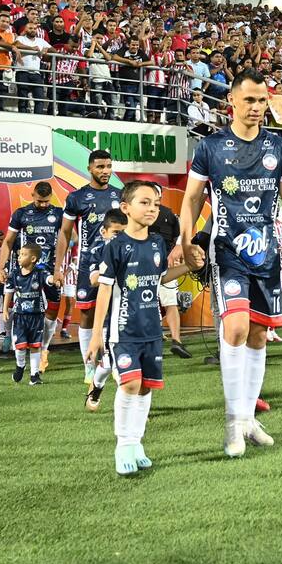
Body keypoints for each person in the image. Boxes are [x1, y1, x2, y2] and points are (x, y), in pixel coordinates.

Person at [179, 68, 282, 457]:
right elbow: (191, 199)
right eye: (251, 100)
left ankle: (249, 419)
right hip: (227, 251)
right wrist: (185, 239)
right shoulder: (210, 147)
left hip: (268, 253)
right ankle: (233, 422)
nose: (257, 107)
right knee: (236, 327)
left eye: (263, 100)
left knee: (258, 336)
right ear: (232, 103)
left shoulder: (279, 146)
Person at [87, 180, 200, 475]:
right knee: (130, 384)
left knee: (147, 387)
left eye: (155, 204)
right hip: (123, 332)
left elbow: (161, 277)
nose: (152, 208)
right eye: (144, 202)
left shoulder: (157, 243)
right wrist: (96, 334)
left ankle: (136, 444)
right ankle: (123, 444)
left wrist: (189, 266)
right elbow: (105, 291)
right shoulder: (115, 246)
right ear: (125, 208)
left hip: (152, 330)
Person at [54, 149, 121, 383]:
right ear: (90, 168)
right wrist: (58, 268)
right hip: (87, 264)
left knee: (113, 312)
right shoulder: (76, 198)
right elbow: (64, 234)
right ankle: (89, 366)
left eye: (109, 166)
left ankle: (110, 362)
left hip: (116, 262)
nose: (106, 171)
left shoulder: (120, 195)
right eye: (100, 167)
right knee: (87, 314)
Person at [0, 182, 62, 360]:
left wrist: (62, 266)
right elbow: (8, 241)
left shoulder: (58, 214)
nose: (43, 205)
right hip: (26, 270)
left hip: (50, 269)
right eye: (40, 201)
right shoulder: (21, 214)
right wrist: (0, 268)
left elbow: (69, 238)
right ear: (32, 194)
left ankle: (44, 349)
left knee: (53, 308)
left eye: (46, 201)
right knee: (21, 306)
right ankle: (11, 336)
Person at [84, 208, 128, 411]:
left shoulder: (133, 247)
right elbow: (93, 280)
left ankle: (132, 405)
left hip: (132, 310)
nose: (120, 237)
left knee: (119, 362)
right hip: (111, 312)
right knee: (112, 364)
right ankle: (98, 386)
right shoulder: (97, 250)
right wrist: (109, 274)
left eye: (123, 233)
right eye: (116, 233)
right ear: (104, 232)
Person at [148, 181, 191, 359]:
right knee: (170, 303)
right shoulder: (169, 214)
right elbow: (178, 237)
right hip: (163, 264)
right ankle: (176, 340)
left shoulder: (143, 214)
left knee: (149, 304)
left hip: (149, 265)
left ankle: (157, 342)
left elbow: (179, 237)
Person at [2, 244, 49, 386]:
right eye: (19, 254)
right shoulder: (15, 274)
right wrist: (5, 309)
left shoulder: (40, 272)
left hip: (37, 315)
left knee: (35, 345)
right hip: (20, 315)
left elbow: (49, 279)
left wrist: (54, 280)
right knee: (21, 345)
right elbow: (9, 292)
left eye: (23, 255)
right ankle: (20, 365)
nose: (19, 257)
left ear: (33, 258)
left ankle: (34, 375)